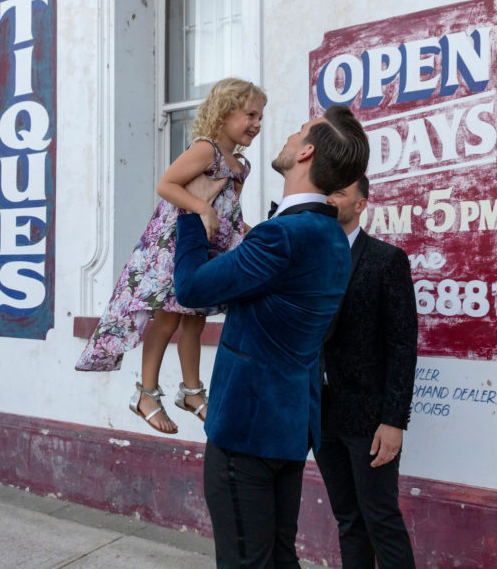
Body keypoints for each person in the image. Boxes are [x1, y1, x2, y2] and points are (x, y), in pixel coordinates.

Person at [173, 105, 370, 568]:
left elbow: (191, 288)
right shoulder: (327, 235)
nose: (286, 135)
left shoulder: (285, 235)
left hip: (247, 430)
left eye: (299, 131)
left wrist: (191, 206)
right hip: (286, 427)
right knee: (278, 558)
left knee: (248, 561)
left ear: (306, 153)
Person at [75, 78, 266, 435]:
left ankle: (192, 392)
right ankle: (146, 392)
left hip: (206, 250)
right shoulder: (205, 149)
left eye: (260, 116)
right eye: (250, 114)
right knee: (167, 320)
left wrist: (254, 234)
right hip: (174, 247)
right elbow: (166, 185)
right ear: (224, 114)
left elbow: (229, 214)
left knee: (195, 320)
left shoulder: (240, 166)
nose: (257, 123)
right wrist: (201, 209)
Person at [315, 175, 418, 568]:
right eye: (327, 190)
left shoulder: (387, 260)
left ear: (360, 205)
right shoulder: (310, 259)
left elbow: (403, 346)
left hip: (369, 419)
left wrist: (394, 421)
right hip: (322, 414)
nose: (329, 199)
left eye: (339, 193)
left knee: (381, 520)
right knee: (348, 520)